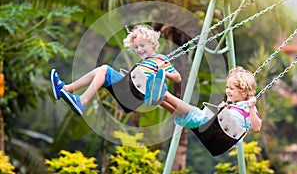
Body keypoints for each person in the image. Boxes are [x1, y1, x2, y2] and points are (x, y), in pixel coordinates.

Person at [50, 24, 181, 116]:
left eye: (142, 45)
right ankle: (66, 89)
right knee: (100, 71)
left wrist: (163, 72)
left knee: (105, 69)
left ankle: (82, 101)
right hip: (130, 91)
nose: (139, 50)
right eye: (135, 47)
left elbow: (177, 78)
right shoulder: (145, 63)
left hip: (134, 96)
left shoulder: (160, 59)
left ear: (152, 43)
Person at [148, 66, 262, 132]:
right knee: (181, 114)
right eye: (227, 87)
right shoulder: (233, 106)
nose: (227, 91)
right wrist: (222, 110)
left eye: (231, 88)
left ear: (243, 92)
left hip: (219, 133)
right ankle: (159, 100)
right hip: (213, 130)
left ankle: (165, 94)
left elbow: (256, 128)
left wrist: (252, 108)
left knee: (192, 111)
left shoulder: (248, 107)